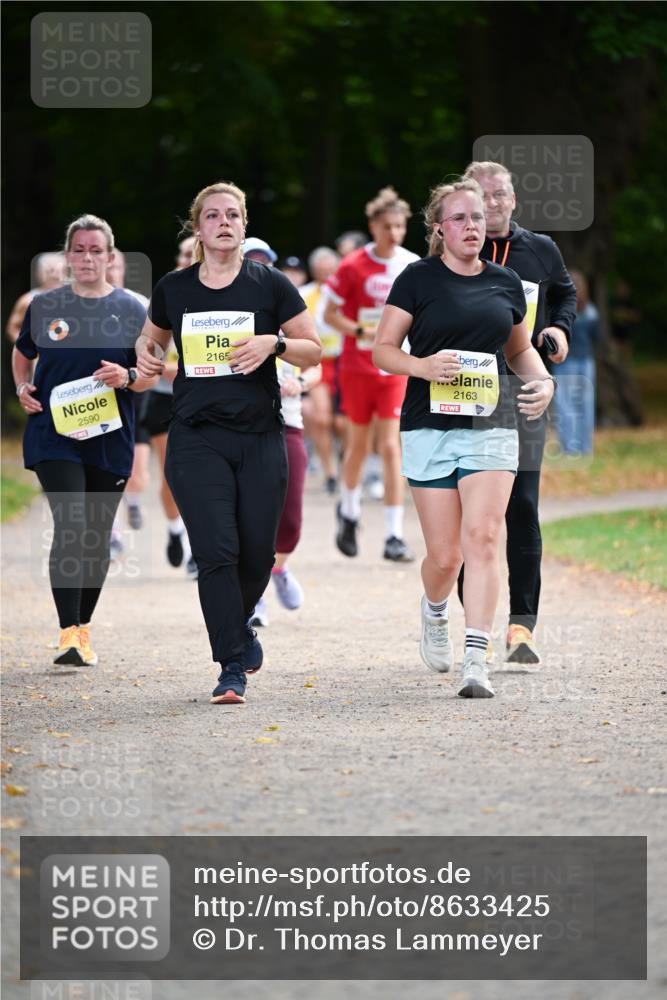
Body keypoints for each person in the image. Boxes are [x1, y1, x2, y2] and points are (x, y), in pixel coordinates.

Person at [135, 181, 320, 706]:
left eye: (233, 215)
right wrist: (146, 356)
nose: (223, 223)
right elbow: (150, 342)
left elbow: (313, 350)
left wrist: (274, 343)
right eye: (213, 215)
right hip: (196, 436)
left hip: (260, 434)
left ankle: (238, 627)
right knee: (217, 551)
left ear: (244, 224)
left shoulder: (271, 285)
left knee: (257, 552)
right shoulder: (174, 288)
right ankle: (231, 665)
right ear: (198, 228)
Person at [373, 179, 555, 698]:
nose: (472, 225)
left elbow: (519, 351)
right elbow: (383, 350)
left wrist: (543, 381)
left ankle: (476, 658)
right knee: (446, 556)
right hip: (428, 427)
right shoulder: (417, 279)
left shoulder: (505, 282)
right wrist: (422, 366)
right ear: (439, 229)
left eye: (477, 217)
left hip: (491, 424)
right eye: (460, 218)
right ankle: (434, 609)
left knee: (484, 538)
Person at [11, 214, 153, 666]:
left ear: (110, 257)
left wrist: (127, 376)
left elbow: (153, 373)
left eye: (96, 250)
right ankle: (67, 632)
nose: (87, 258)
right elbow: (22, 354)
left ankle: (83, 628)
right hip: (54, 433)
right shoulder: (45, 305)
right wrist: (22, 386)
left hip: (109, 436)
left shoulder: (133, 309)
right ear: (68, 256)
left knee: (95, 535)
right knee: (71, 522)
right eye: (79, 250)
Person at [457, 160, 576, 665]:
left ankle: (521, 625)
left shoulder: (540, 249)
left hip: (525, 392)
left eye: (500, 194)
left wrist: (560, 329)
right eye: (482, 196)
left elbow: (564, 293)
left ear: (513, 199)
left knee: (522, 506)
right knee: (472, 517)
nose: (492, 203)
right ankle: (473, 627)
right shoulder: (456, 249)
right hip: (466, 394)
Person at [323, 186, 419, 562]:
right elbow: (329, 315)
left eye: (399, 226)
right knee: (359, 445)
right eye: (387, 227)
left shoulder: (411, 264)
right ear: (373, 227)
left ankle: (394, 536)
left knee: (392, 447)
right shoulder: (352, 266)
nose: (394, 233)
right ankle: (349, 511)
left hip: (395, 368)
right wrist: (363, 331)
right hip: (357, 367)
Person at [106, 250, 150, 540]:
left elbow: (154, 351)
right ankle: (112, 533)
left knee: (138, 473)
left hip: (134, 394)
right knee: (103, 467)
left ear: (123, 269)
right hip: (99, 394)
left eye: (116, 266)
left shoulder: (139, 303)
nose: (110, 271)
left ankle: (132, 501)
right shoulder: (81, 304)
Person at [299, 246, 345, 494]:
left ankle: (347, 465)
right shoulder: (304, 294)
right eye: (321, 271)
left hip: (345, 359)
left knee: (343, 423)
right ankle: (329, 473)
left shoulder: (345, 291)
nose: (326, 275)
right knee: (321, 418)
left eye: (330, 270)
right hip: (319, 360)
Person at [553, 270, 599, 455]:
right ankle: (585, 446)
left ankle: (569, 447)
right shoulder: (591, 311)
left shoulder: (561, 310)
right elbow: (597, 337)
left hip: (566, 362)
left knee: (566, 404)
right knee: (585, 405)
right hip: (587, 362)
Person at [6, 253, 67, 343]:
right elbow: (12, 328)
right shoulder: (28, 300)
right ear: (39, 273)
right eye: (51, 271)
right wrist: (27, 346)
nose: (56, 276)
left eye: (61, 271)